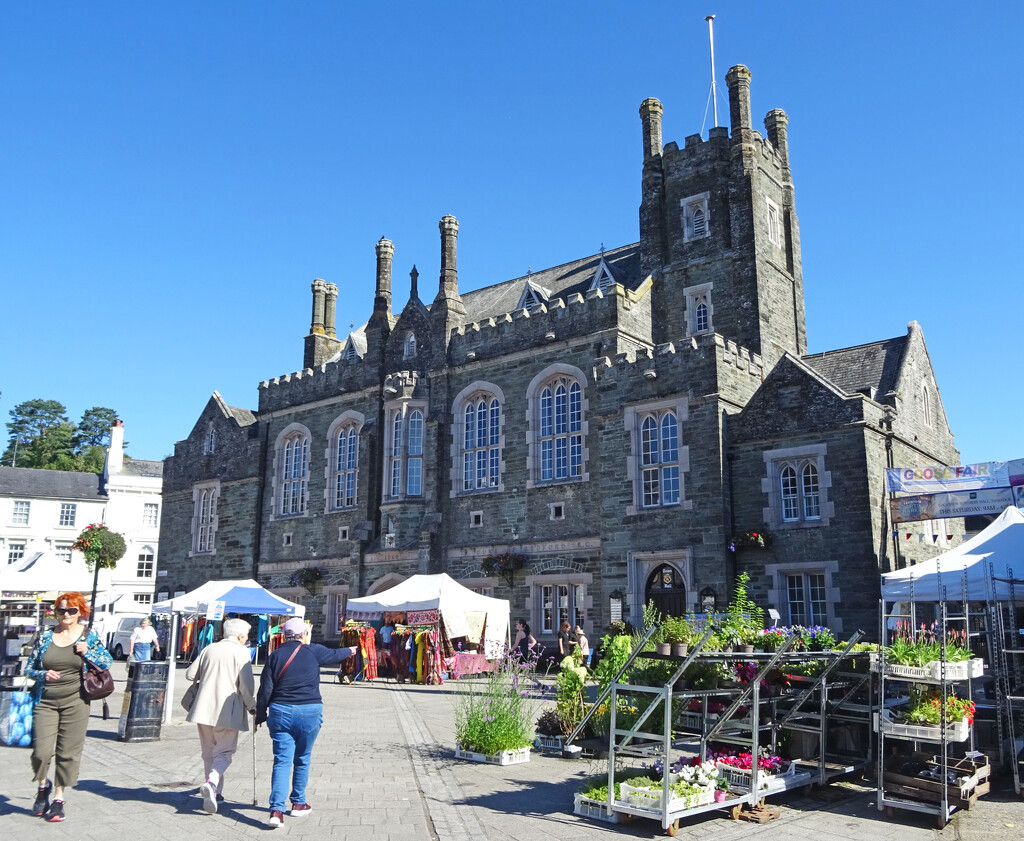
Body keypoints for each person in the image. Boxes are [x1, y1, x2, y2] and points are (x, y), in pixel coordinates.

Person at [256, 617, 356, 828]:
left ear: (284, 636)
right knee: (302, 757)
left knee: (282, 760)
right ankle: (298, 803)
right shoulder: (313, 651)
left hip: (280, 711)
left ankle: (276, 811)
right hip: (310, 711)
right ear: (303, 635)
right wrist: (352, 650)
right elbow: (335, 655)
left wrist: (260, 714)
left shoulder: (275, 655)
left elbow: (265, 688)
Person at [24, 591, 113, 823]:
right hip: (44, 701)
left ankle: (58, 800)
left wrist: (89, 652)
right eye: (62, 610)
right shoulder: (44, 637)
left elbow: (107, 662)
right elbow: (29, 669)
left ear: (80, 612)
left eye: (72, 610)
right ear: (56, 612)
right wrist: (44, 674)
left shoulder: (88, 636)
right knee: (41, 752)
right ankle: (43, 786)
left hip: (76, 702)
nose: (66, 614)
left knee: (68, 754)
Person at [185, 617, 256, 815]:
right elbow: (246, 686)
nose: (246, 638)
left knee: (209, 753)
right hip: (228, 711)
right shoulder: (241, 652)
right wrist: (253, 707)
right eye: (247, 635)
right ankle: (212, 782)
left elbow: (190, 674)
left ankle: (217, 793)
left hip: (203, 708)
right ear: (240, 636)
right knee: (224, 753)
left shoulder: (209, 648)